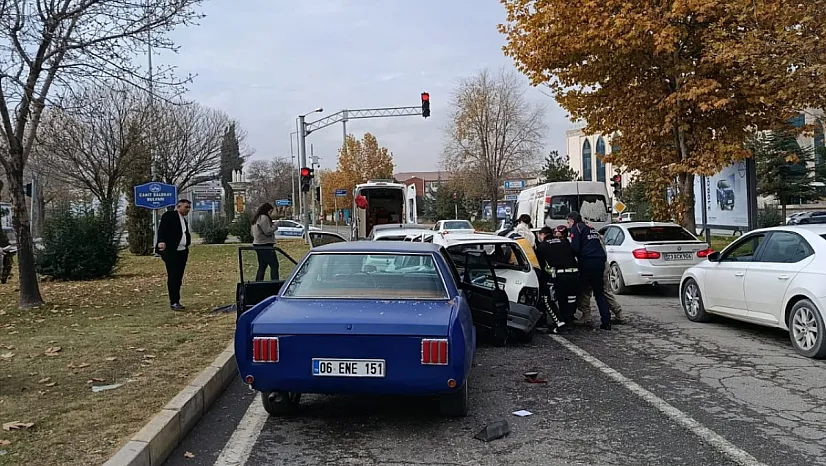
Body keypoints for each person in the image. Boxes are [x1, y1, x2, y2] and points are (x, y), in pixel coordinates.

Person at [567, 211, 612, 330]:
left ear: (571, 220)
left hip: (587, 262)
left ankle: (572, 316)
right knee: (599, 293)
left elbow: (575, 248)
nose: (568, 225)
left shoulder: (576, 228)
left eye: (568, 222)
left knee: (578, 289)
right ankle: (606, 321)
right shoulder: (590, 228)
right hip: (600, 261)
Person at [575, 224, 626, 325]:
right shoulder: (596, 234)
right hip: (601, 264)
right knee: (603, 292)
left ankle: (587, 316)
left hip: (594, 265)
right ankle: (618, 314)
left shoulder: (584, 234)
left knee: (587, 292)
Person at [535, 226, 579, 331]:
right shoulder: (563, 242)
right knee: (570, 299)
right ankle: (568, 320)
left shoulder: (543, 246)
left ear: (542, 235)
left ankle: (559, 322)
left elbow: (540, 265)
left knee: (548, 298)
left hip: (561, 275)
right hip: (574, 274)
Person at [156, 199, 192, 311]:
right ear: (179, 206)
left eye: (189, 207)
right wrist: (161, 241)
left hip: (182, 251)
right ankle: (174, 301)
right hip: (171, 251)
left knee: (178, 277)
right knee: (173, 276)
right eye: (186, 207)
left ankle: (177, 300)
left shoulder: (183, 219)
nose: (188, 210)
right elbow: (162, 229)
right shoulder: (170, 215)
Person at [251, 202, 279, 281]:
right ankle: (275, 282)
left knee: (262, 266)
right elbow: (268, 231)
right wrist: (275, 226)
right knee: (274, 265)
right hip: (265, 244)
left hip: (258, 244)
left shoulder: (257, 218)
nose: (270, 214)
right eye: (270, 211)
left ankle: (258, 283)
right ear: (266, 210)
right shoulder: (264, 218)